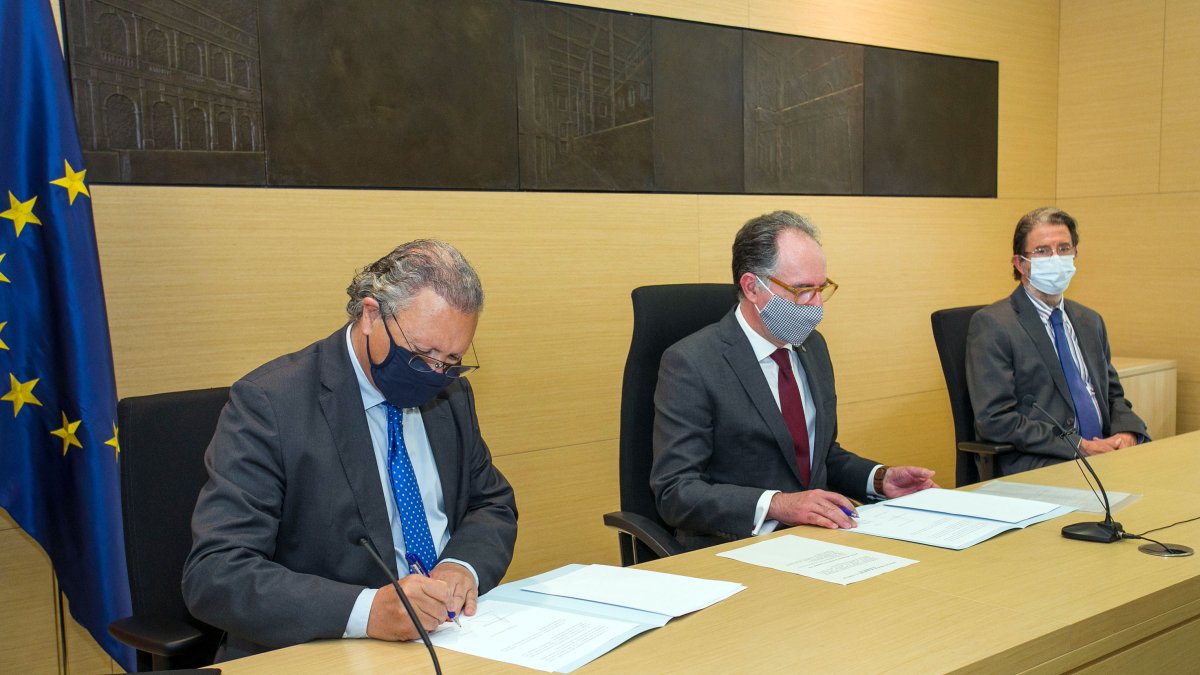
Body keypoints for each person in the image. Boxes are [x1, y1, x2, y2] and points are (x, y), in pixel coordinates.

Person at [183, 240, 517, 660]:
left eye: (451, 359)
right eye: (422, 354)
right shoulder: (270, 404)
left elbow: (492, 503)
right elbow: (216, 574)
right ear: (371, 314)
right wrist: (367, 610)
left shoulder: (451, 394)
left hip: (449, 641)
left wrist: (459, 565)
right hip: (323, 651)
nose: (436, 374)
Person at [650, 211, 936, 551]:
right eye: (801, 290)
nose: (816, 306)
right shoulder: (692, 363)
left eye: (821, 288)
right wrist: (778, 504)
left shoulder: (812, 347)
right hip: (734, 548)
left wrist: (879, 479)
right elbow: (676, 492)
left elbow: (820, 457)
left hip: (816, 543)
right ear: (752, 287)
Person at [966, 207, 1148, 476]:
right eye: (1042, 251)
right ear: (1019, 263)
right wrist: (1079, 446)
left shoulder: (1090, 320)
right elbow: (995, 419)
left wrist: (1126, 433)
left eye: (1064, 249)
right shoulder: (993, 324)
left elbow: (1112, 395)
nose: (1055, 258)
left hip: (1104, 455)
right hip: (1042, 460)